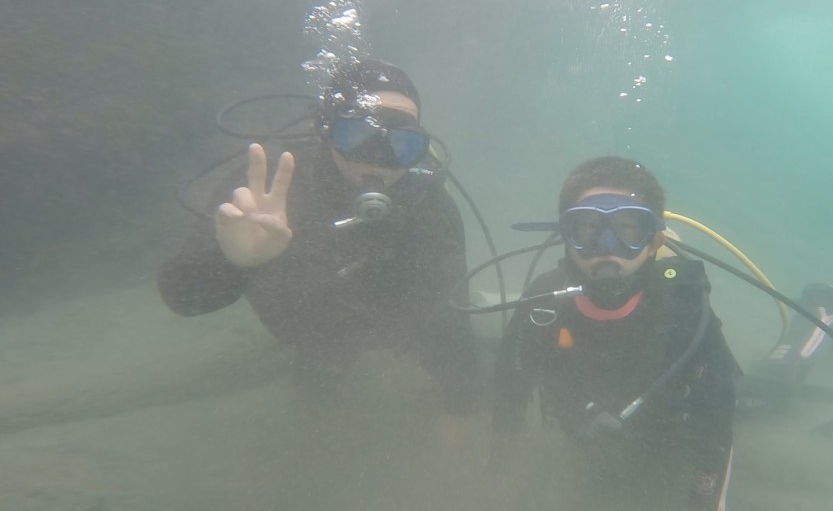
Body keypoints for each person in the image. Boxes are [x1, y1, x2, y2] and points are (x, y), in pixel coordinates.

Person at [158, 59, 477, 430]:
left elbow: (451, 308)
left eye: (402, 143)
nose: (379, 158)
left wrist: (459, 406)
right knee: (316, 393)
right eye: (357, 135)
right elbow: (181, 298)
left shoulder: (427, 199)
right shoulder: (269, 187)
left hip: (388, 322)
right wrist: (235, 263)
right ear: (327, 131)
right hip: (311, 328)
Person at [489, 156, 740, 511]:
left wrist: (703, 500)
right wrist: (499, 471)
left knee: (756, 398)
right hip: (586, 437)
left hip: (665, 441)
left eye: (629, 229)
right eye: (587, 228)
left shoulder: (683, 304)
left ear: (654, 241)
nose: (607, 246)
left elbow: (718, 413)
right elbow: (510, 384)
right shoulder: (543, 303)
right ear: (566, 237)